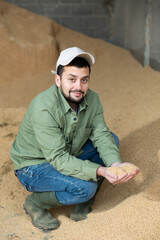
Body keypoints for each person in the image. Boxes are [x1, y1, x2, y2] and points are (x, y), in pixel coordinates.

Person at [10, 47, 140, 232]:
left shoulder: (92, 99)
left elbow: (101, 135)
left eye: (84, 80)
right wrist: (101, 170)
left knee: (111, 140)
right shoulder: (44, 107)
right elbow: (58, 158)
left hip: (68, 152)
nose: (78, 87)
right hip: (34, 166)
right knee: (85, 188)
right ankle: (35, 204)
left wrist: (115, 164)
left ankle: (84, 199)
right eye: (71, 79)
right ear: (58, 79)